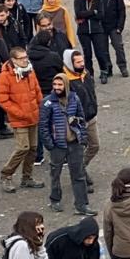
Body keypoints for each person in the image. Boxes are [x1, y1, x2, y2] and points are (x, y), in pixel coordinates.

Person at [40, 73, 91, 214]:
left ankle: (82, 205)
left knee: (78, 175)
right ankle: (55, 200)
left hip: (74, 143)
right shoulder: (47, 103)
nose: (57, 87)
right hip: (57, 146)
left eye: (60, 85)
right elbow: (43, 126)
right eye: (55, 85)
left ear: (66, 85)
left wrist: (83, 137)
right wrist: (50, 145)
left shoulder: (74, 99)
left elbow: (81, 118)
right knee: (55, 174)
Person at [0, 47, 43, 191]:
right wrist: (19, 112)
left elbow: (37, 90)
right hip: (19, 118)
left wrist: (39, 105)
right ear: (13, 60)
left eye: (25, 57)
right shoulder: (5, 76)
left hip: (33, 115)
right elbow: (2, 99)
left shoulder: (30, 71)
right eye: (21, 58)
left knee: (33, 148)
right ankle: (6, 175)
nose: (25, 60)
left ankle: (27, 177)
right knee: (23, 148)